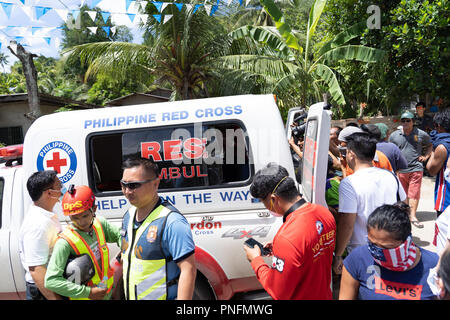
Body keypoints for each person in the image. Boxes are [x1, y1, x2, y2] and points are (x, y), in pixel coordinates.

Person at [243, 162, 336, 300]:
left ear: (274, 199)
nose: (266, 207)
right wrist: (280, 250)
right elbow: (310, 251)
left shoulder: (287, 237)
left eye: (264, 202)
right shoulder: (324, 213)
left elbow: (277, 291)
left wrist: (256, 260)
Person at [120, 157, 196, 300]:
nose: (127, 191)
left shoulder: (172, 221)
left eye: (134, 185)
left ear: (155, 184)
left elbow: (189, 269)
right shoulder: (128, 216)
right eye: (123, 185)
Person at [333, 132, 406, 275]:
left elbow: (347, 224)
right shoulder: (390, 176)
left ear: (351, 154)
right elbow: (403, 206)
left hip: (363, 250)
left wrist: (338, 255)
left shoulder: (349, 183)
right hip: (392, 246)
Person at [339, 203, 439, 300]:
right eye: (372, 244)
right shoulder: (358, 259)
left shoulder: (435, 266)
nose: (376, 251)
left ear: (406, 241)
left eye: (385, 247)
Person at [45, 185, 121, 300]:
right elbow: (51, 281)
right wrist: (87, 292)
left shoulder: (100, 224)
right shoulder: (65, 242)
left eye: (85, 215)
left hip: (107, 294)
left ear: (94, 209)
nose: (81, 222)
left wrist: (126, 251)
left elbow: (121, 236)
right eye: (75, 218)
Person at [18, 170, 63, 300]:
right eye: (59, 186)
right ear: (49, 193)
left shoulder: (47, 214)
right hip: (42, 291)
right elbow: (37, 270)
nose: (62, 189)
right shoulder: (37, 224)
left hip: (52, 284)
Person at [389, 110, 432, 228]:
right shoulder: (394, 135)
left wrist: (426, 156)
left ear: (413, 122)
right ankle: (406, 215)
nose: (405, 123)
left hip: (416, 168)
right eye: (403, 120)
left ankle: (413, 216)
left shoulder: (421, 133)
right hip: (400, 169)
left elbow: (429, 145)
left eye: (408, 120)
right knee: (403, 194)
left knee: (413, 193)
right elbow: (391, 150)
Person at [426, 109, 450, 216]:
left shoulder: (442, 146)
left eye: (435, 125)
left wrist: (433, 147)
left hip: (446, 198)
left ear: (439, 126)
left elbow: (431, 170)